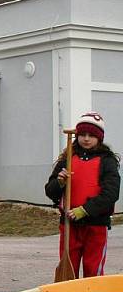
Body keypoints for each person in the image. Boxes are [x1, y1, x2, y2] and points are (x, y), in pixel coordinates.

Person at [45, 112, 120, 277]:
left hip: (96, 225)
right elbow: (50, 191)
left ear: (99, 138)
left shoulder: (107, 161)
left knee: (92, 269)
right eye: (82, 134)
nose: (86, 139)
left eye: (91, 135)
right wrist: (60, 183)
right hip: (69, 225)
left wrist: (85, 210)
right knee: (68, 270)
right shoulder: (68, 159)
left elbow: (111, 193)